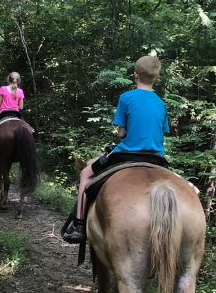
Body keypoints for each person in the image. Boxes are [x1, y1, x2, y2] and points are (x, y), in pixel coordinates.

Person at [62, 55, 170, 243]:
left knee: (86, 174)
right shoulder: (161, 104)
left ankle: (79, 225)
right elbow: (161, 133)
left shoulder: (126, 98)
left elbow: (121, 134)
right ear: (156, 78)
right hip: (156, 157)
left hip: (126, 153)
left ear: (136, 75)